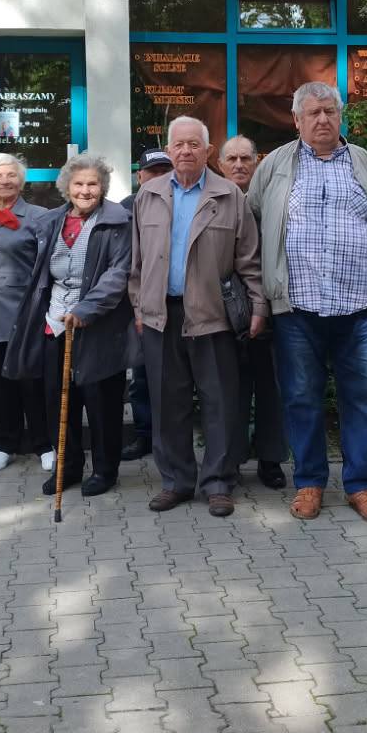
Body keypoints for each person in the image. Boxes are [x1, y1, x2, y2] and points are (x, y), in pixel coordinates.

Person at [249, 81, 367, 524]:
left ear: (340, 116)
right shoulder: (274, 166)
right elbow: (254, 223)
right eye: (313, 113)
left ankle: (361, 484)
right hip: (297, 307)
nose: (322, 120)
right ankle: (310, 481)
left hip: (359, 306)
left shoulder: (366, 164)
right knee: (300, 397)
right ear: (296, 120)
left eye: (330, 111)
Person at [130, 117, 266, 517]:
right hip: (161, 316)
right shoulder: (148, 194)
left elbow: (249, 260)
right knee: (167, 403)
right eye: (179, 144)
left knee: (219, 402)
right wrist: (139, 307)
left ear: (208, 151)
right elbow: (136, 262)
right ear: (168, 150)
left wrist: (258, 306)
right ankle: (176, 481)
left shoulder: (229, 195)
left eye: (194, 144)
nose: (186, 151)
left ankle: (218, 482)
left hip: (213, 316)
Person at [7, 154, 133, 496]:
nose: (85, 190)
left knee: (101, 402)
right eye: (79, 184)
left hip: (99, 326)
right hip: (55, 324)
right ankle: (69, 466)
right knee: (59, 400)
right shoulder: (52, 221)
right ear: (67, 187)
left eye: (93, 184)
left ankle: (105, 470)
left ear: (103, 187)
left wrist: (86, 309)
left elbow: (119, 274)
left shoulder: (119, 222)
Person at [0, 153, 49, 473]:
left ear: (21, 181)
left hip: (24, 310)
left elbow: (46, 264)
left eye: (11, 175)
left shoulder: (39, 216)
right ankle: (4, 444)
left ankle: (43, 444)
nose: (5, 181)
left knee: (31, 380)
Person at [219, 134, 285, 489]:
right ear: (220, 164)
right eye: (232, 159)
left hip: (272, 309)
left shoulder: (271, 200)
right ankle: (230, 460)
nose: (239, 165)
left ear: (257, 162)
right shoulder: (212, 200)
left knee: (271, 387)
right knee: (230, 390)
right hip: (224, 313)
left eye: (246, 158)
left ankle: (271, 460)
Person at [121, 147, 174, 462]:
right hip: (137, 305)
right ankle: (144, 435)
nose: (159, 177)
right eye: (153, 172)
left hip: (176, 304)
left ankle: (170, 438)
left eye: (165, 172)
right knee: (141, 375)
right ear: (139, 176)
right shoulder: (125, 209)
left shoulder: (180, 202)